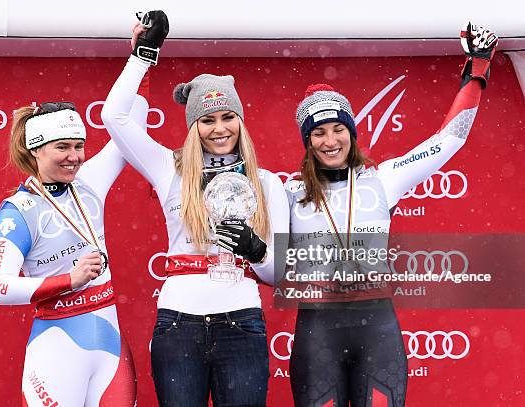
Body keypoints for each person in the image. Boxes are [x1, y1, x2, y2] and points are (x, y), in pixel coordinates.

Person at [285, 23, 498, 407]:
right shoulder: (289, 193)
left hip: (376, 329)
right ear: (307, 141)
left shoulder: (383, 180)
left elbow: (450, 138)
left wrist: (477, 70)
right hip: (317, 331)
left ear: (351, 132)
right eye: (318, 133)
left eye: (338, 129)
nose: (330, 141)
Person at [101, 10, 289, 407]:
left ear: (240, 121)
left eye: (227, 117)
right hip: (178, 322)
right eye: (206, 120)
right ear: (193, 126)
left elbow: (281, 275)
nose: (219, 128)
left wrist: (256, 251)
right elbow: (113, 117)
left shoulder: (268, 182)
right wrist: (143, 55)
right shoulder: (169, 168)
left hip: (242, 321)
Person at [0, 99, 148, 406]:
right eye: (62, 147)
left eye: (79, 146)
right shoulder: (19, 211)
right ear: (35, 149)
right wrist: (70, 279)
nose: (73, 157)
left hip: (109, 344)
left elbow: (132, 122)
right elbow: (0, 287)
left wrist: (141, 59)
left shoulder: (89, 182)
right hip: (57, 349)